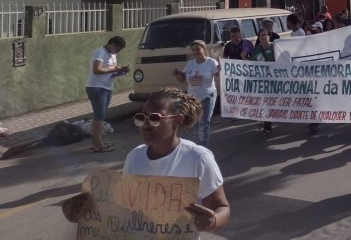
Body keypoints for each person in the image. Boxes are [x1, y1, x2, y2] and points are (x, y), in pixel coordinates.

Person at [62, 87, 230, 234]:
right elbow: (127, 208)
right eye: (142, 117)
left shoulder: (198, 158)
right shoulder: (134, 157)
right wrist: (88, 212)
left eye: (155, 118)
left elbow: (222, 207)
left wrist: (213, 220)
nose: (146, 124)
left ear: (176, 121)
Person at [173, 40, 219, 148]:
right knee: (195, 122)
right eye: (193, 50)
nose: (196, 52)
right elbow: (183, 78)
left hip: (207, 95)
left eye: (198, 49)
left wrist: (221, 70)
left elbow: (218, 74)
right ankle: (199, 143)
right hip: (192, 98)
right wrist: (178, 74)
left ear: (204, 49)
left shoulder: (211, 62)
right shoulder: (190, 64)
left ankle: (203, 146)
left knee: (204, 122)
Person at [85, 36, 127, 152]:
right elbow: (96, 69)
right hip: (97, 87)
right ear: (111, 44)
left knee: (100, 116)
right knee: (99, 116)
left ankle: (96, 142)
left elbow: (109, 70)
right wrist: (113, 70)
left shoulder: (113, 54)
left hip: (107, 87)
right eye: (117, 49)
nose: (118, 52)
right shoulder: (100, 52)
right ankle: (98, 145)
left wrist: (119, 70)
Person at [251, 29, 275, 135]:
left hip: (274, 80)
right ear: (259, 37)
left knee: (272, 102)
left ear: (269, 36)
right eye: (261, 35)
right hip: (261, 81)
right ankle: (267, 126)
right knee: (265, 103)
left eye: (265, 35)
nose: (264, 37)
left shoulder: (274, 47)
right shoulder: (257, 49)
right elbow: (252, 63)